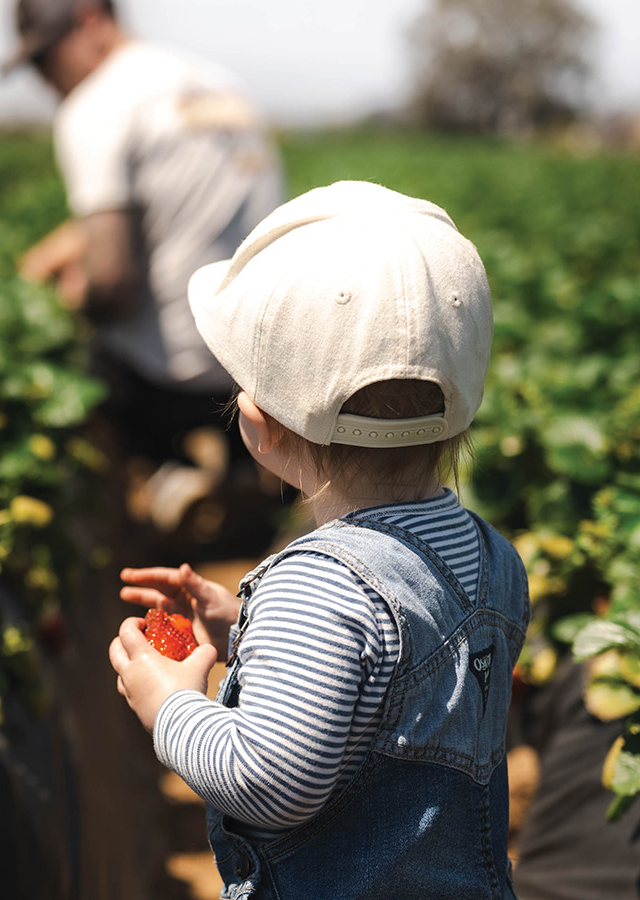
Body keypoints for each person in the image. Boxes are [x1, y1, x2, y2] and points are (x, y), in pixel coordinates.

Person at [107, 181, 532, 899]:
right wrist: (250, 631)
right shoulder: (494, 558)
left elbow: (270, 783)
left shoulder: (320, 588)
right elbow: (400, 677)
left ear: (257, 427)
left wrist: (171, 703)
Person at [3, 0, 284, 540]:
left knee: (69, 357)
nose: (43, 80)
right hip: (258, 358)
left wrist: (69, 295)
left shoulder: (96, 104)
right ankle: (245, 469)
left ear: (89, 18)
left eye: (44, 59)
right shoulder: (212, 82)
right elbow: (176, 208)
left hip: (172, 375)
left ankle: (152, 486)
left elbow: (113, 284)